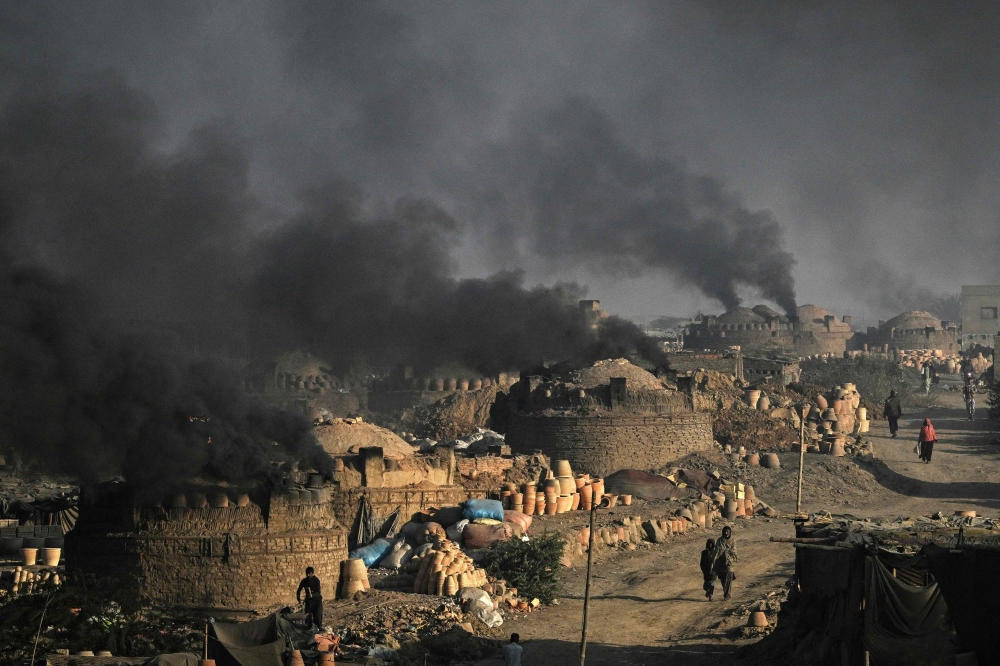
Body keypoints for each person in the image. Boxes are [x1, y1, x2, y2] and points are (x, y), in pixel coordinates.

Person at [711, 526, 738, 600]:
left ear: (730, 532)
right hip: (721, 562)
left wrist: (728, 554)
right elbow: (716, 551)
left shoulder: (732, 540)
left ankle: (727, 595)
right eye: (725, 531)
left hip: (729, 563)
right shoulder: (719, 540)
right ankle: (726, 591)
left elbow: (734, 551)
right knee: (723, 579)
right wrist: (713, 560)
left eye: (727, 531)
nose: (726, 533)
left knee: (728, 579)